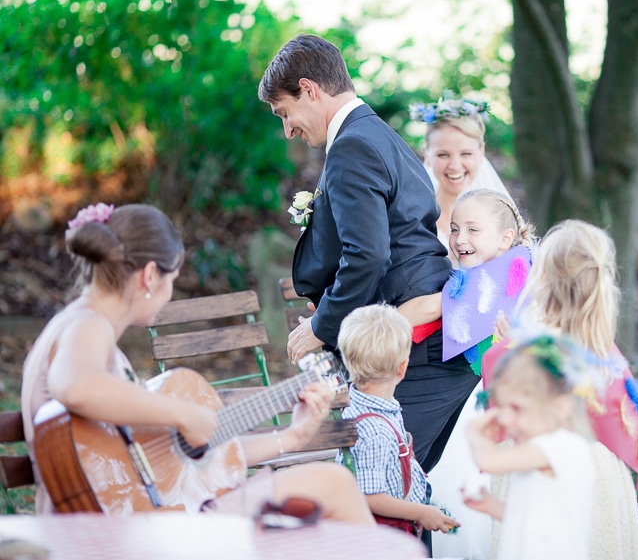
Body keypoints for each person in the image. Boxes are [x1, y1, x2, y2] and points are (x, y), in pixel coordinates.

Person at [20, 203, 373, 523]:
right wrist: (185, 414)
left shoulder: (85, 329)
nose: (170, 292)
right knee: (334, 482)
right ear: (149, 276)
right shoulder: (88, 324)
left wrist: (292, 436)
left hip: (134, 515)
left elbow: (184, 461)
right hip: (119, 530)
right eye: (172, 280)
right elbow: (76, 386)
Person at [258, 34, 479, 472]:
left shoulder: (353, 146)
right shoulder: (377, 134)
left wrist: (320, 327)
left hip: (418, 350)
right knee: (401, 487)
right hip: (431, 341)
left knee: (378, 482)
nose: (287, 130)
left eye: (285, 113)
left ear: (309, 90)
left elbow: (368, 256)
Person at [482, 219, 638, 559]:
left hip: (541, 467)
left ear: (543, 280)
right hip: (601, 475)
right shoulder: (603, 347)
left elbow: (503, 405)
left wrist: (507, 346)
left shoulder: (533, 347)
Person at [398, 189, 534, 560]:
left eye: (473, 230)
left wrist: (347, 324)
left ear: (506, 238)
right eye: (455, 229)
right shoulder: (504, 265)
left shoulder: (509, 273)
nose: (459, 240)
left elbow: (428, 308)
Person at [463, 335, 602, 560]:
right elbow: (533, 519)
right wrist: (493, 506)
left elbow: (487, 462)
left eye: (517, 408)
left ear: (560, 407)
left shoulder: (555, 446)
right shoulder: (545, 447)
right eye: (502, 406)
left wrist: (473, 430)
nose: (505, 418)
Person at [335, 304, 460, 538]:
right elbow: (369, 496)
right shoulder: (374, 429)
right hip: (388, 534)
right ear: (402, 368)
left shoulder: (363, 403)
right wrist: (421, 512)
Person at [410, 93, 513, 249]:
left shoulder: (500, 218)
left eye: (466, 153)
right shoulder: (412, 215)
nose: (455, 166)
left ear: (481, 152)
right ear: (427, 154)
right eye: (443, 155)